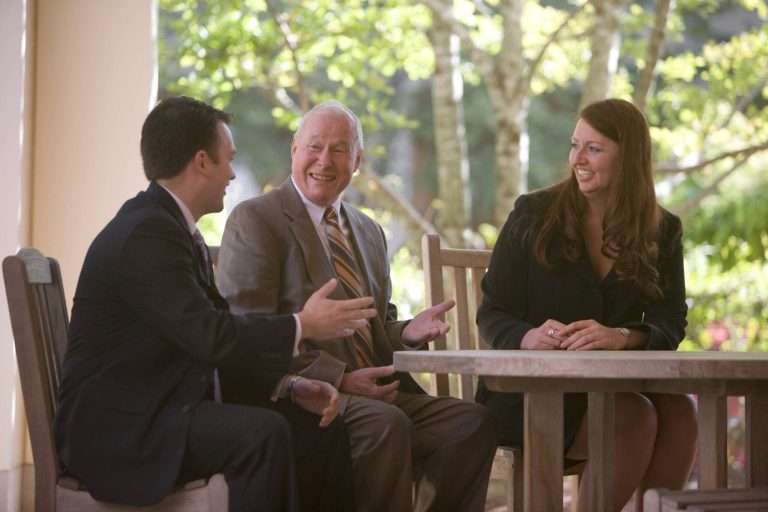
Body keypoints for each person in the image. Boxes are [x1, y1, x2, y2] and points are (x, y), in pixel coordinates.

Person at [54, 96, 378, 512]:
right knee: (263, 435)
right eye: (228, 160)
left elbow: (208, 340)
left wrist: (289, 385)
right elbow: (210, 336)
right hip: (122, 428)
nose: (231, 174)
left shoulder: (171, 228)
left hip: (163, 407)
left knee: (318, 431)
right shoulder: (146, 233)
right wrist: (303, 325)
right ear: (202, 162)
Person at [216, 100, 497, 512]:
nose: (324, 161)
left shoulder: (368, 231)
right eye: (314, 146)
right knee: (387, 425)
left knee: (472, 424)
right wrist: (342, 379)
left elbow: (376, 325)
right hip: (310, 393)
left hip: (381, 390)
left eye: (339, 149)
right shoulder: (256, 219)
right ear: (294, 149)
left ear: (358, 160)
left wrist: (408, 332)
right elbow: (250, 331)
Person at [476, 98, 697, 511]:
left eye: (594, 149)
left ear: (628, 157)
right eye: (575, 146)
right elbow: (491, 313)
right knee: (631, 414)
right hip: (532, 394)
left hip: (615, 389)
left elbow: (671, 320)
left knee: (681, 410)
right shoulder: (533, 213)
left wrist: (624, 337)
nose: (578, 159)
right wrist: (528, 336)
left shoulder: (662, 229)